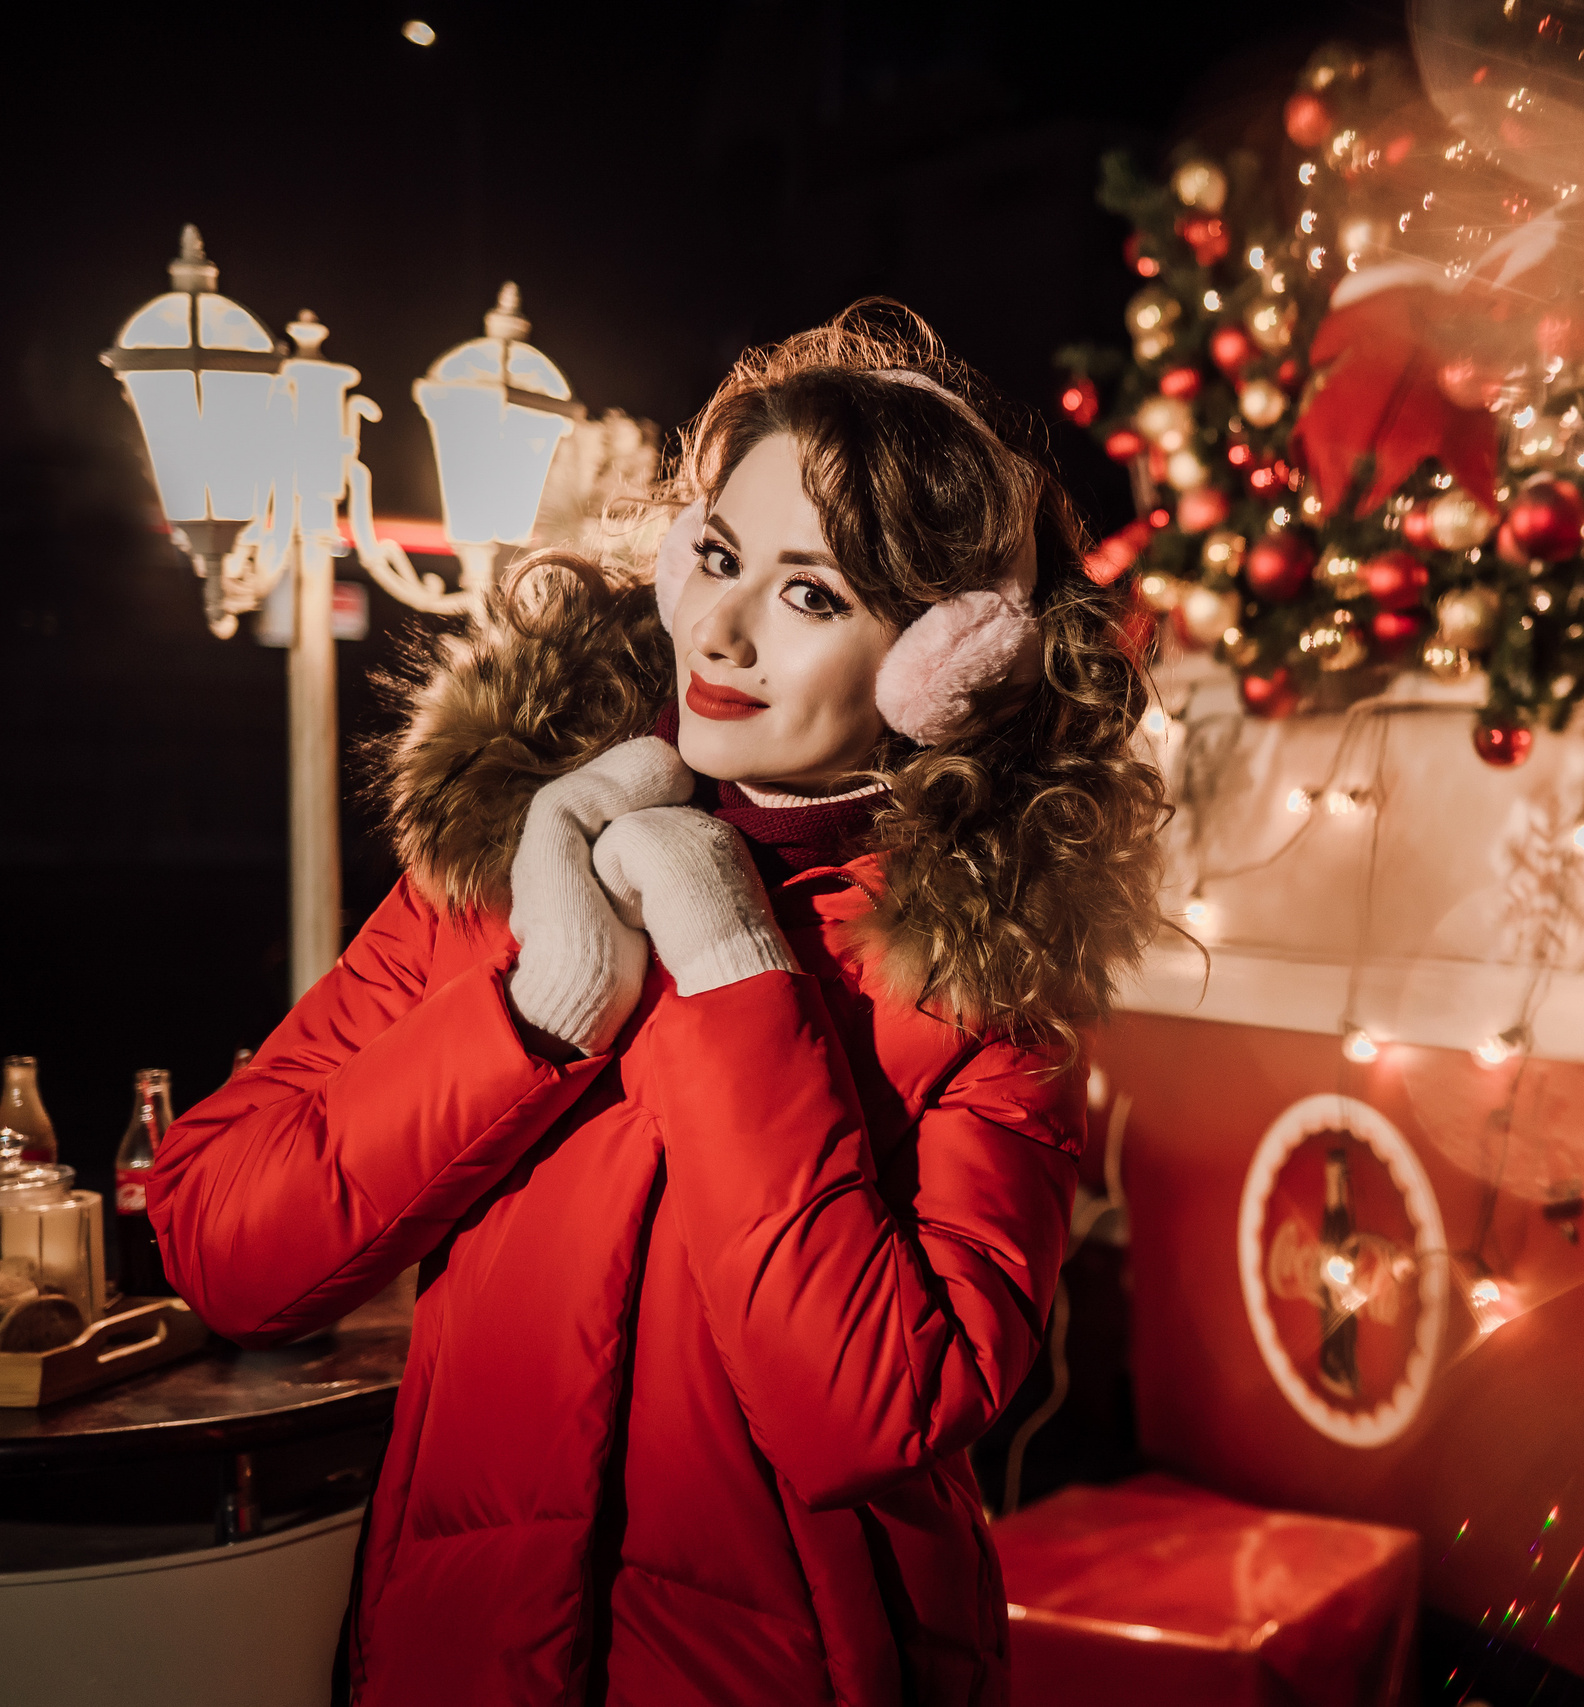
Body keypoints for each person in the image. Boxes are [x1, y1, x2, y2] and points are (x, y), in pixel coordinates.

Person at [150, 302, 1165, 1705]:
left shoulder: (990, 982)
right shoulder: (517, 854)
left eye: (813, 596)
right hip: (462, 1663)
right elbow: (220, 1240)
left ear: (944, 667)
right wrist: (539, 1011)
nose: (727, 634)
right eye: (721, 557)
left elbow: (872, 1409)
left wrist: (732, 966)